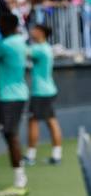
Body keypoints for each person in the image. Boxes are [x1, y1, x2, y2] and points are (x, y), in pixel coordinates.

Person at [0, 9, 32, 196]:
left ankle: (20, 180)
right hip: (18, 95)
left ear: (6, 26)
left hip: (10, 97)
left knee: (11, 135)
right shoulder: (18, 42)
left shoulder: (5, 44)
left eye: (0, 24)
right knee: (9, 134)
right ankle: (20, 175)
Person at [26, 22, 62, 166]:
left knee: (34, 122)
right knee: (51, 121)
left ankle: (30, 156)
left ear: (41, 33)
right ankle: (56, 155)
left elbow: (21, 51)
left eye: (35, 29)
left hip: (41, 92)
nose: (32, 31)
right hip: (48, 91)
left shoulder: (40, 49)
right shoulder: (45, 48)